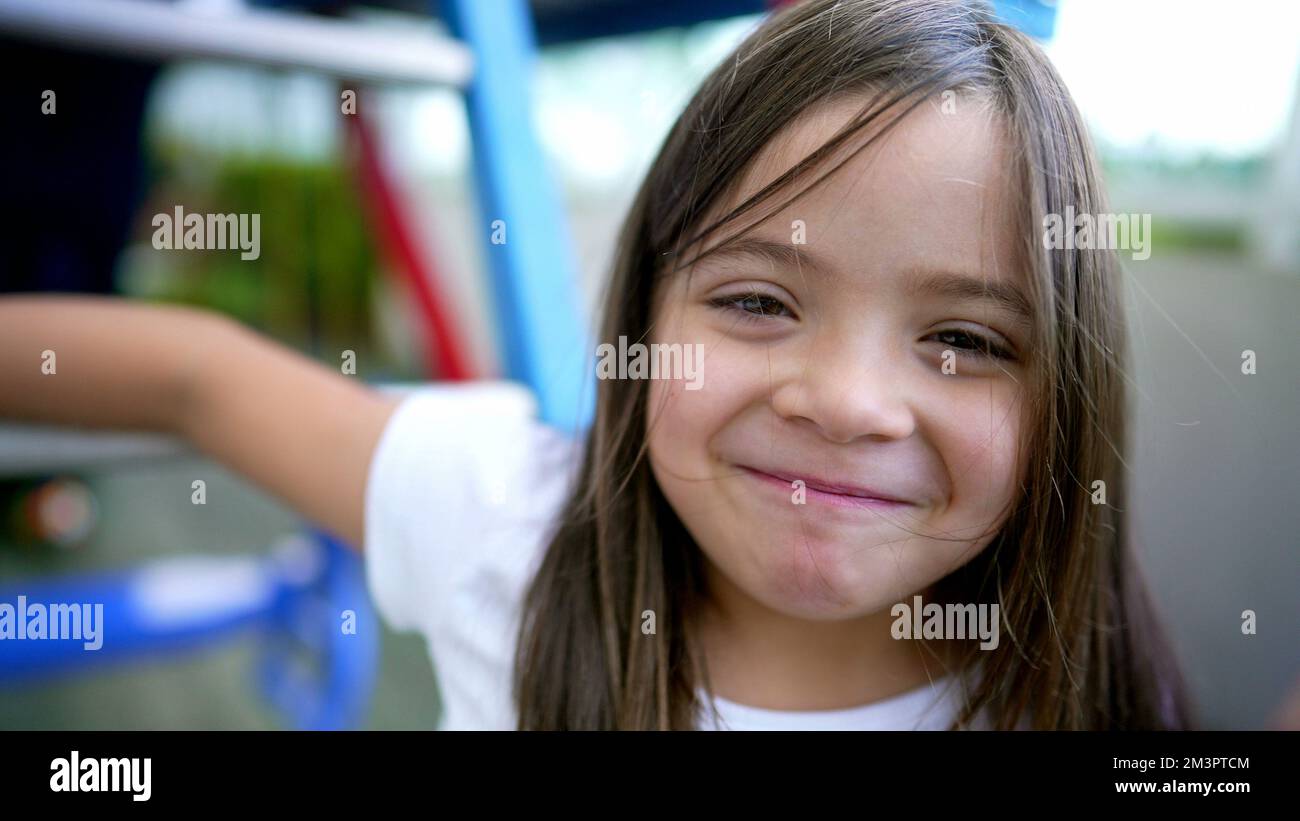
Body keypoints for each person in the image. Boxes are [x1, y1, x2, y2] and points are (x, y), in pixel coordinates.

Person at [0, 0, 1192, 730]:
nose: (841, 401)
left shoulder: (1089, 696)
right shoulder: (507, 520)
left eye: (963, 341)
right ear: (643, 308)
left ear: (1064, 399)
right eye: (758, 301)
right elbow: (195, 378)